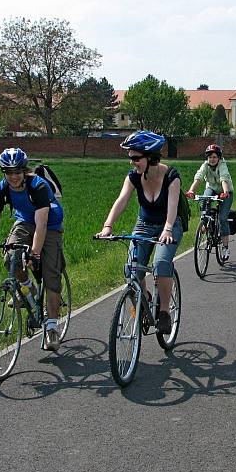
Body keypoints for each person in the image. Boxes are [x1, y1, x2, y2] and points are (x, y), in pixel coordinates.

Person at [0, 147, 66, 351]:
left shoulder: (38, 186)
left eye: (17, 172)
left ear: (24, 171)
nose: (13, 176)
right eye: (8, 172)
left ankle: (51, 328)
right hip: (24, 220)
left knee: (50, 275)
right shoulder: (2, 189)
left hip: (49, 225)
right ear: (3, 172)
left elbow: (41, 225)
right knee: (10, 257)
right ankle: (28, 288)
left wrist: (35, 254)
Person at [95, 131, 182, 334]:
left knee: (161, 263)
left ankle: (164, 312)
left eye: (136, 158)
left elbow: (172, 207)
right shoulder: (133, 177)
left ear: (150, 157)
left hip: (168, 225)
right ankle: (144, 299)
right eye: (131, 158)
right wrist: (108, 225)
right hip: (144, 224)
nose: (132, 163)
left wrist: (168, 229)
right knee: (131, 269)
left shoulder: (171, 176)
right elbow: (122, 200)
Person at [186, 144, 234, 260]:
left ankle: (225, 247)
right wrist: (191, 190)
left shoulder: (222, 165)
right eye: (210, 157)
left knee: (222, 218)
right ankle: (205, 223)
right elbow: (199, 177)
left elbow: (224, 178)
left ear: (219, 158)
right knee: (204, 199)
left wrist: (225, 192)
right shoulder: (205, 166)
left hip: (225, 191)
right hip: (211, 189)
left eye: (214, 157)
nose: (212, 159)